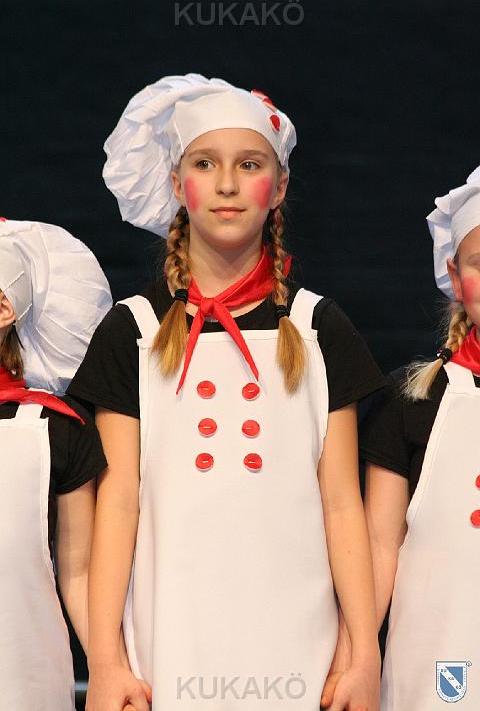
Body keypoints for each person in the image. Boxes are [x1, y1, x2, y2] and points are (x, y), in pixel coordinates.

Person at [68, 73, 384, 711]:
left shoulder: (319, 328)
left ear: (280, 185)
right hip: (170, 643)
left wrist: (363, 653)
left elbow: (341, 505)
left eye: (250, 164)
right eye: (205, 164)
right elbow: (118, 506)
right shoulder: (133, 330)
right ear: (176, 183)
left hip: (299, 649)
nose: (228, 185)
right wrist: (105, 661)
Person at [360, 167, 480, 709]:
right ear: (455, 275)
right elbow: (379, 546)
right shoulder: (412, 400)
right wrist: (356, 656)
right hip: (438, 667)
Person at [0, 218, 111, 710]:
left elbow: (80, 575)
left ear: (4, 308)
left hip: (23, 684)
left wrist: (109, 670)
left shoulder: (54, 430)